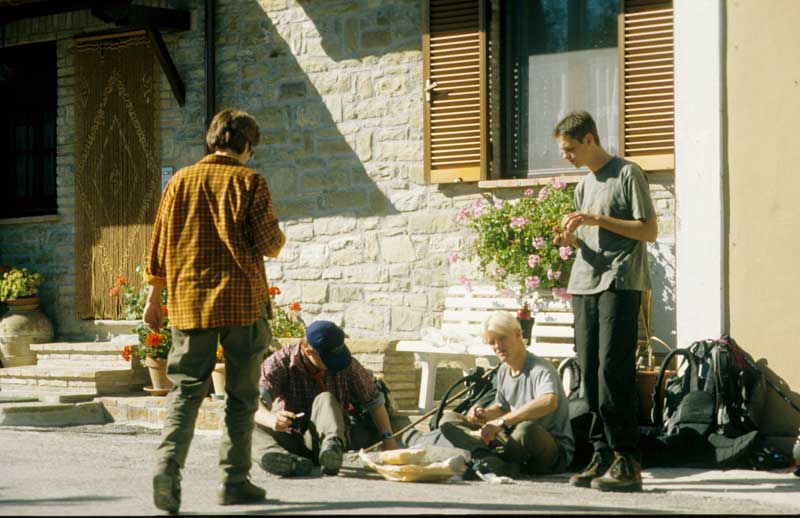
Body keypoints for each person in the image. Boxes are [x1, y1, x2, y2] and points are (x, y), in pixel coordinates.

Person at [144, 108, 286, 513]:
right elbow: (269, 243)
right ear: (244, 145)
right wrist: (278, 233)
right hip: (242, 301)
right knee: (241, 397)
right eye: (251, 148)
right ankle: (233, 481)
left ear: (213, 140)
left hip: (190, 302)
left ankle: (167, 468)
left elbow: (159, 246)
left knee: (186, 392)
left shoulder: (179, 182)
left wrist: (154, 299)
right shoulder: (250, 182)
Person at [553, 110, 658, 492]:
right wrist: (573, 240)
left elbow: (648, 230)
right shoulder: (583, 185)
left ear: (590, 140)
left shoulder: (627, 173)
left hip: (620, 281)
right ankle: (602, 453)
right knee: (590, 374)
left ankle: (627, 459)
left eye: (569, 149)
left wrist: (597, 219)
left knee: (614, 369)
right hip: (585, 283)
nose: (566, 156)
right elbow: (593, 240)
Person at [253, 320, 399, 477]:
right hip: (290, 436)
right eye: (328, 359)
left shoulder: (348, 364)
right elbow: (252, 402)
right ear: (309, 352)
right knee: (239, 422)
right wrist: (272, 420)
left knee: (326, 398)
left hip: (329, 436)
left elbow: (374, 401)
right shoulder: (279, 362)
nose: (334, 364)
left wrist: (388, 440)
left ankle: (331, 452)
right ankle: (284, 459)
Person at [437, 312, 574, 477]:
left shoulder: (541, 368)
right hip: (510, 441)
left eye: (502, 338)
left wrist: (500, 422)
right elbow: (503, 407)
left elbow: (549, 402)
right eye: (492, 342)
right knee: (449, 419)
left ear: (518, 335)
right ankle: (487, 458)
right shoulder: (503, 370)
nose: (497, 346)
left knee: (526, 430)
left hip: (545, 449)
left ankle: (491, 461)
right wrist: (484, 414)